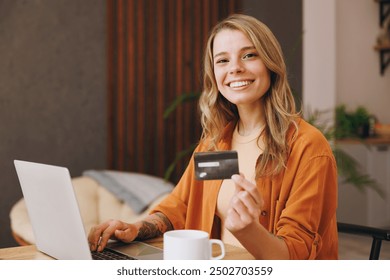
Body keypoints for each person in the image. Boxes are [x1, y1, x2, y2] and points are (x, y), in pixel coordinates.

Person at [88, 14, 338, 260]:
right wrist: (136, 229)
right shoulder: (216, 143)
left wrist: (249, 230)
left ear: (270, 64)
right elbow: (179, 207)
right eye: (222, 60)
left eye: (249, 55)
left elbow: (294, 259)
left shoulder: (308, 147)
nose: (235, 68)